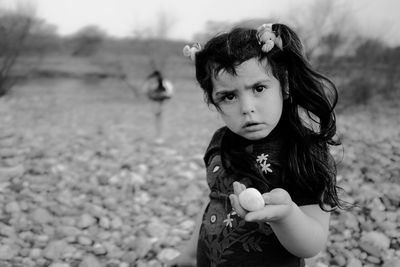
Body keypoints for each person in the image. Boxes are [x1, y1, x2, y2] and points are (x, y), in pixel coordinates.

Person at [168, 22, 346, 267]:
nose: (247, 107)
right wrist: (189, 255)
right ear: (214, 102)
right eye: (229, 96)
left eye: (259, 88)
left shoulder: (303, 151)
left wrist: (286, 215)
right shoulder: (220, 142)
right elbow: (215, 199)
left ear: (283, 86)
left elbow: (311, 245)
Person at [142, 70, 174, 144]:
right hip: (155, 102)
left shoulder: (165, 83)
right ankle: (158, 136)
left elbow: (169, 93)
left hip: (162, 102)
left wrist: (161, 96)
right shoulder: (150, 83)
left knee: (161, 119)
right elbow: (145, 91)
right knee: (157, 119)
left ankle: (160, 136)